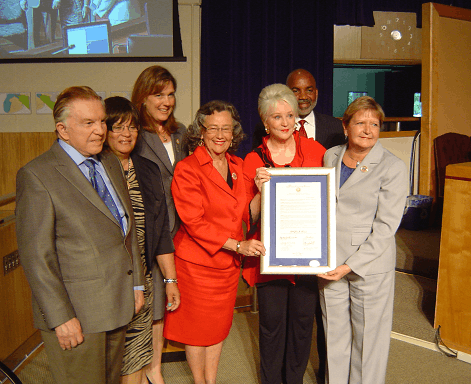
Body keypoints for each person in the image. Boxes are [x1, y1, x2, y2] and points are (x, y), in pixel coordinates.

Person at [15, 86, 144, 384]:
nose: (100, 130)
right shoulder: (37, 175)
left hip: (118, 304)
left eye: (102, 121)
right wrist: (61, 317)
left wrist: (136, 283)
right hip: (77, 315)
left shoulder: (110, 162)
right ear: (62, 129)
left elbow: (127, 228)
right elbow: (37, 257)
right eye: (88, 123)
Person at [164, 100, 265, 384]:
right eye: (213, 129)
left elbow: (248, 212)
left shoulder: (238, 164)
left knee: (219, 329)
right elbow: (194, 222)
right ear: (200, 132)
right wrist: (238, 245)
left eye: (226, 129)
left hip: (227, 267)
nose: (220, 135)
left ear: (234, 133)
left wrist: (263, 190)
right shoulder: (187, 168)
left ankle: (211, 380)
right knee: (197, 331)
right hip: (197, 266)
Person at [319, 96, 408, 384]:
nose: (368, 129)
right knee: (335, 334)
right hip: (330, 260)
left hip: (368, 264)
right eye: (360, 123)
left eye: (374, 124)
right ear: (345, 126)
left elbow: (385, 227)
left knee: (369, 340)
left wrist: (349, 266)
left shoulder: (392, 167)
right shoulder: (330, 156)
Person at [243, 83, 326, 384]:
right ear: (265, 122)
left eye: (290, 115)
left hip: (308, 258)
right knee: (272, 327)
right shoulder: (253, 160)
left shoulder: (317, 152)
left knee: (304, 325)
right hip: (271, 261)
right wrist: (260, 192)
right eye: (277, 117)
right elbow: (246, 217)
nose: (285, 122)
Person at [103, 96, 180, 384]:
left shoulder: (147, 170)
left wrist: (170, 280)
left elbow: (160, 231)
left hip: (143, 279)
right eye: (118, 127)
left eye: (132, 127)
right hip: (108, 282)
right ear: (105, 130)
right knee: (109, 358)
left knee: (137, 352)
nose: (126, 134)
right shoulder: (95, 170)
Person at [131, 65, 188, 384]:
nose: (166, 101)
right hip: (152, 230)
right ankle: (150, 369)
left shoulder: (180, 133)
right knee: (150, 305)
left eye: (170, 94)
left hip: (181, 228)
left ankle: (154, 366)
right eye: (158, 94)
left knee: (167, 303)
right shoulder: (136, 134)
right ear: (143, 97)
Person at [252, 68, 345, 150]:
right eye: (295, 91)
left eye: (309, 90)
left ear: (316, 93)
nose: (303, 97)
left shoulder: (336, 127)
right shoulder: (265, 128)